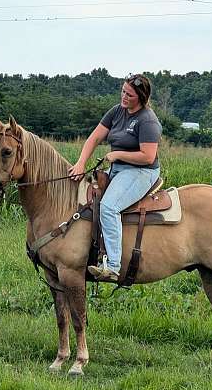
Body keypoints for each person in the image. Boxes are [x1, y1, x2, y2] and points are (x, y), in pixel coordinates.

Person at [68, 74, 162, 282]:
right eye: (123, 91)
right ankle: (90, 252)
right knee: (87, 199)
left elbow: (148, 156)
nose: (124, 96)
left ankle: (113, 266)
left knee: (109, 207)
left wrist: (117, 154)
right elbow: (94, 138)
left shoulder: (147, 120)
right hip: (118, 169)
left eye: (129, 94)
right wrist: (81, 163)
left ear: (141, 97)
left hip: (141, 171)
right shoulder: (117, 111)